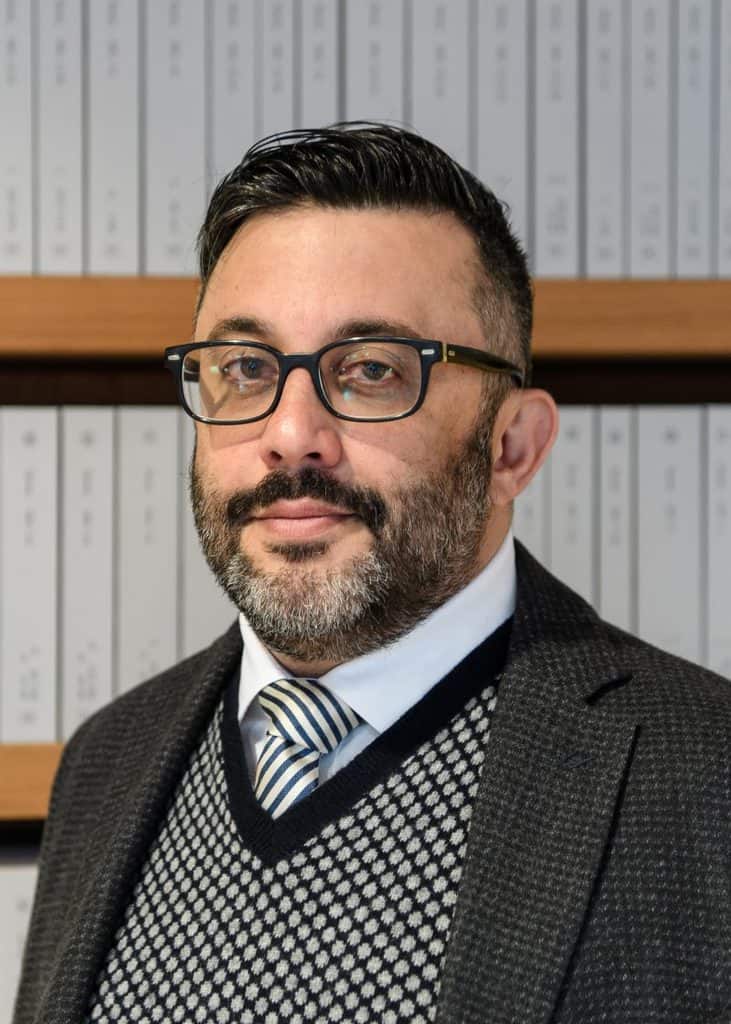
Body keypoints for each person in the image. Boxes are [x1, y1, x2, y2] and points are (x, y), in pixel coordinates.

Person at [14, 124, 730, 1024]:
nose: (290, 434)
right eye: (245, 368)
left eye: (371, 371)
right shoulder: (105, 762)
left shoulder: (705, 774)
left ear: (513, 447)